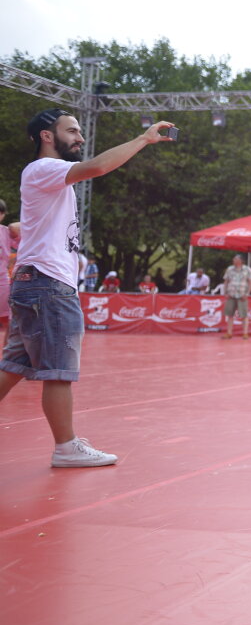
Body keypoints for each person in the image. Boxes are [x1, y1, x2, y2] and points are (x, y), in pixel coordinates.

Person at [1, 108, 174, 467]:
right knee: (58, 370)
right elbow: (96, 167)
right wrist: (143, 139)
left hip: (34, 282)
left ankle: (66, 445)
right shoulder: (45, 169)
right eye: (72, 131)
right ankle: (66, 448)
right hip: (48, 284)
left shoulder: (45, 177)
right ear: (47, 136)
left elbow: (37, 219)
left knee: (13, 366)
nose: (80, 137)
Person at [221, 254, 251, 340]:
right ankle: (229, 333)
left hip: (242, 294)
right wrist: (225, 292)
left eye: (235, 259)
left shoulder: (247, 269)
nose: (234, 260)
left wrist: (247, 294)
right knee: (229, 315)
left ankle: (245, 333)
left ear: (241, 261)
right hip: (231, 294)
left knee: (244, 315)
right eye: (234, 259)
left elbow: (250, 282)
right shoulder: (229, 269)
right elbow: (226, 281)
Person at [0, 200, 12, 336]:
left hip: (2, 283)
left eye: (1, 212)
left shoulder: (7, 232)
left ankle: (8, 357)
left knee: (10, 322)